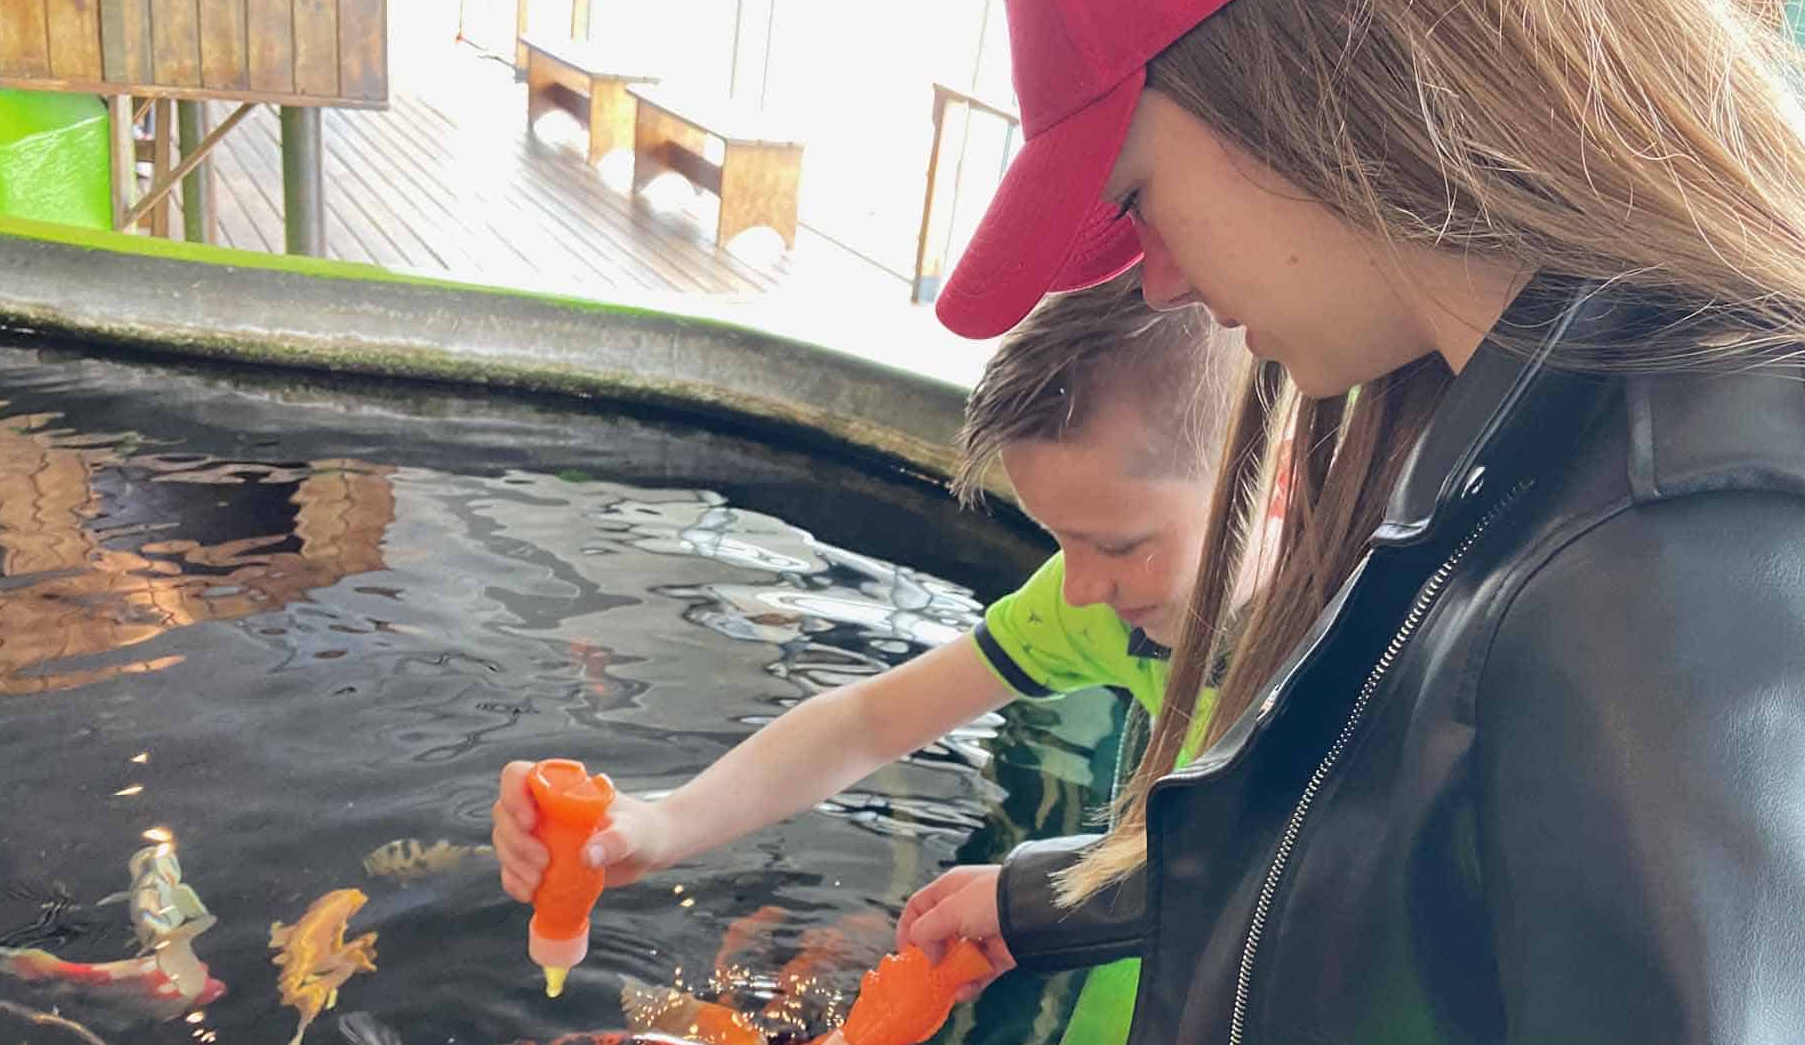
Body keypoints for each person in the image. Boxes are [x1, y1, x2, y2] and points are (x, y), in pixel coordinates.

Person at [893, 0, 1805, 1045]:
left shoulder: (1683, 565)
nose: (1149, 282)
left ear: (1316, 70)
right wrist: (1056, 901)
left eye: (1136, 196)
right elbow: (1403, 840)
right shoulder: (1514, 417)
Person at [493, 268, 1245, 904]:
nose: (1077, 588)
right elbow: (868, 720)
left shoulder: (1355, 652)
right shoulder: (1101, 606)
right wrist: (663, 827)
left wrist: (1032, 902)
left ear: (1270, 484)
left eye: (1116, 544)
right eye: (1059, 539)